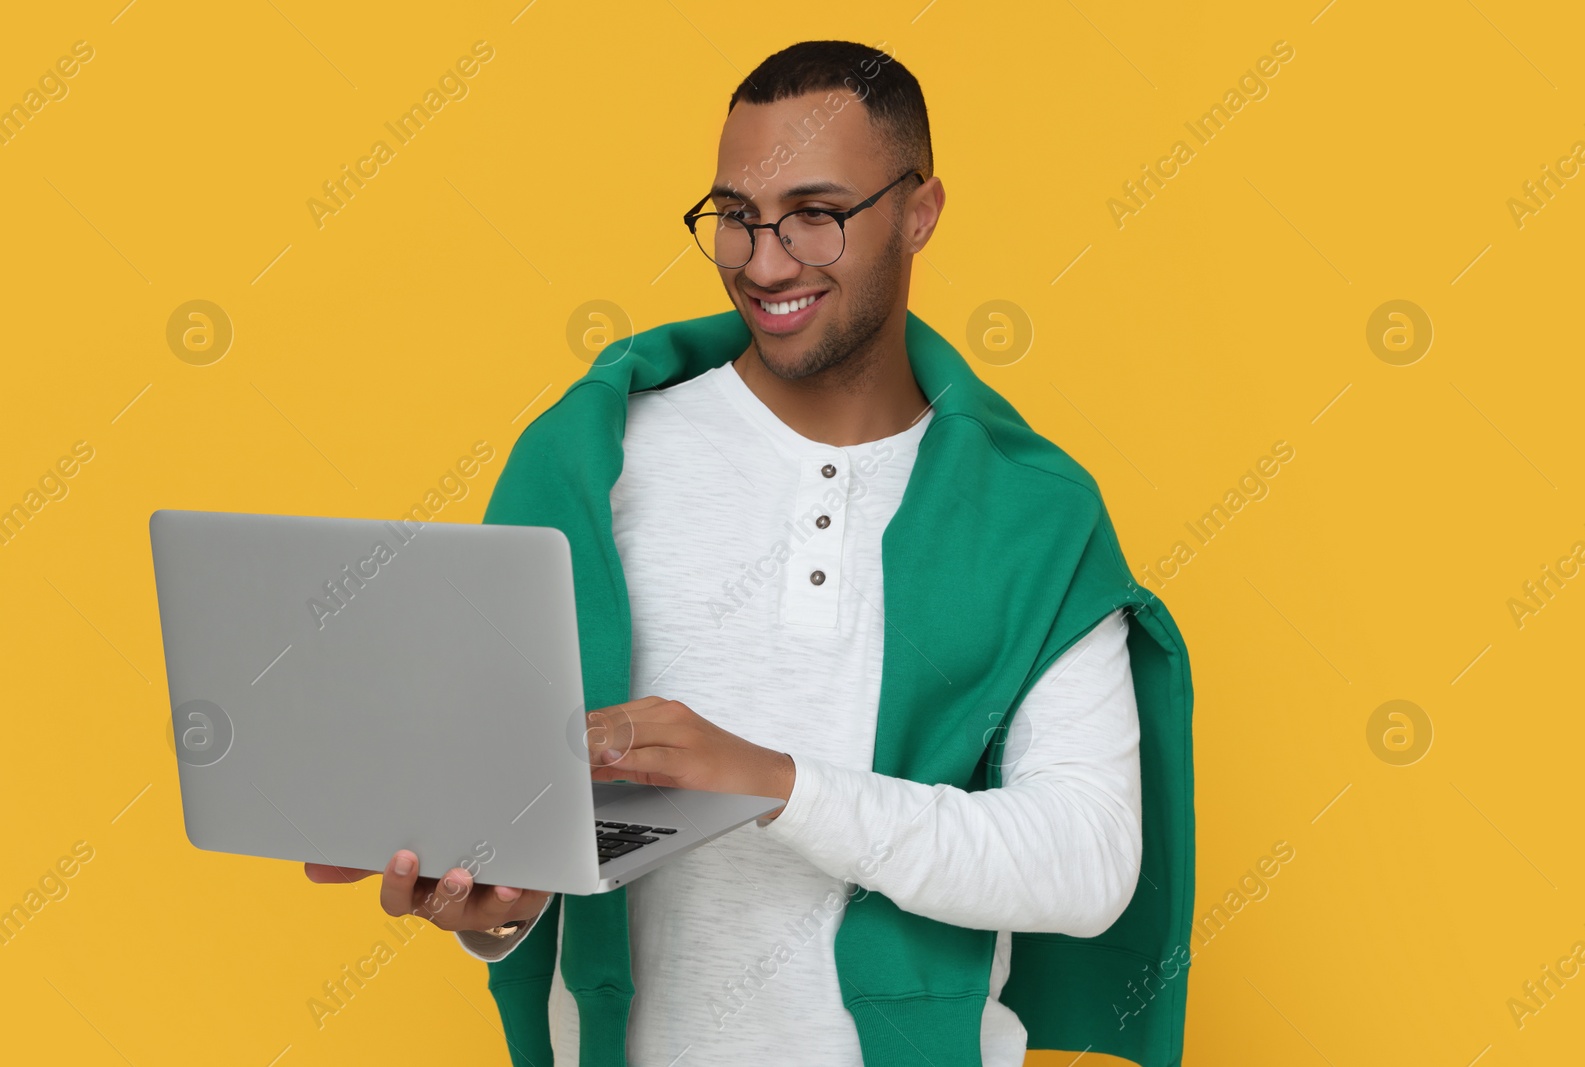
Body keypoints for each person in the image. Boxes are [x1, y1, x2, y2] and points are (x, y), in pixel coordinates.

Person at [306, 39, 1193, 1067]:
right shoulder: (592, 462)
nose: (764, 261)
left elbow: (1084, 860)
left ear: (919, 211)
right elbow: (523, 827)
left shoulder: (1036, 514)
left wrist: (775, 783)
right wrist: (493, 908)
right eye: (735, 216)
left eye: (815, 214)